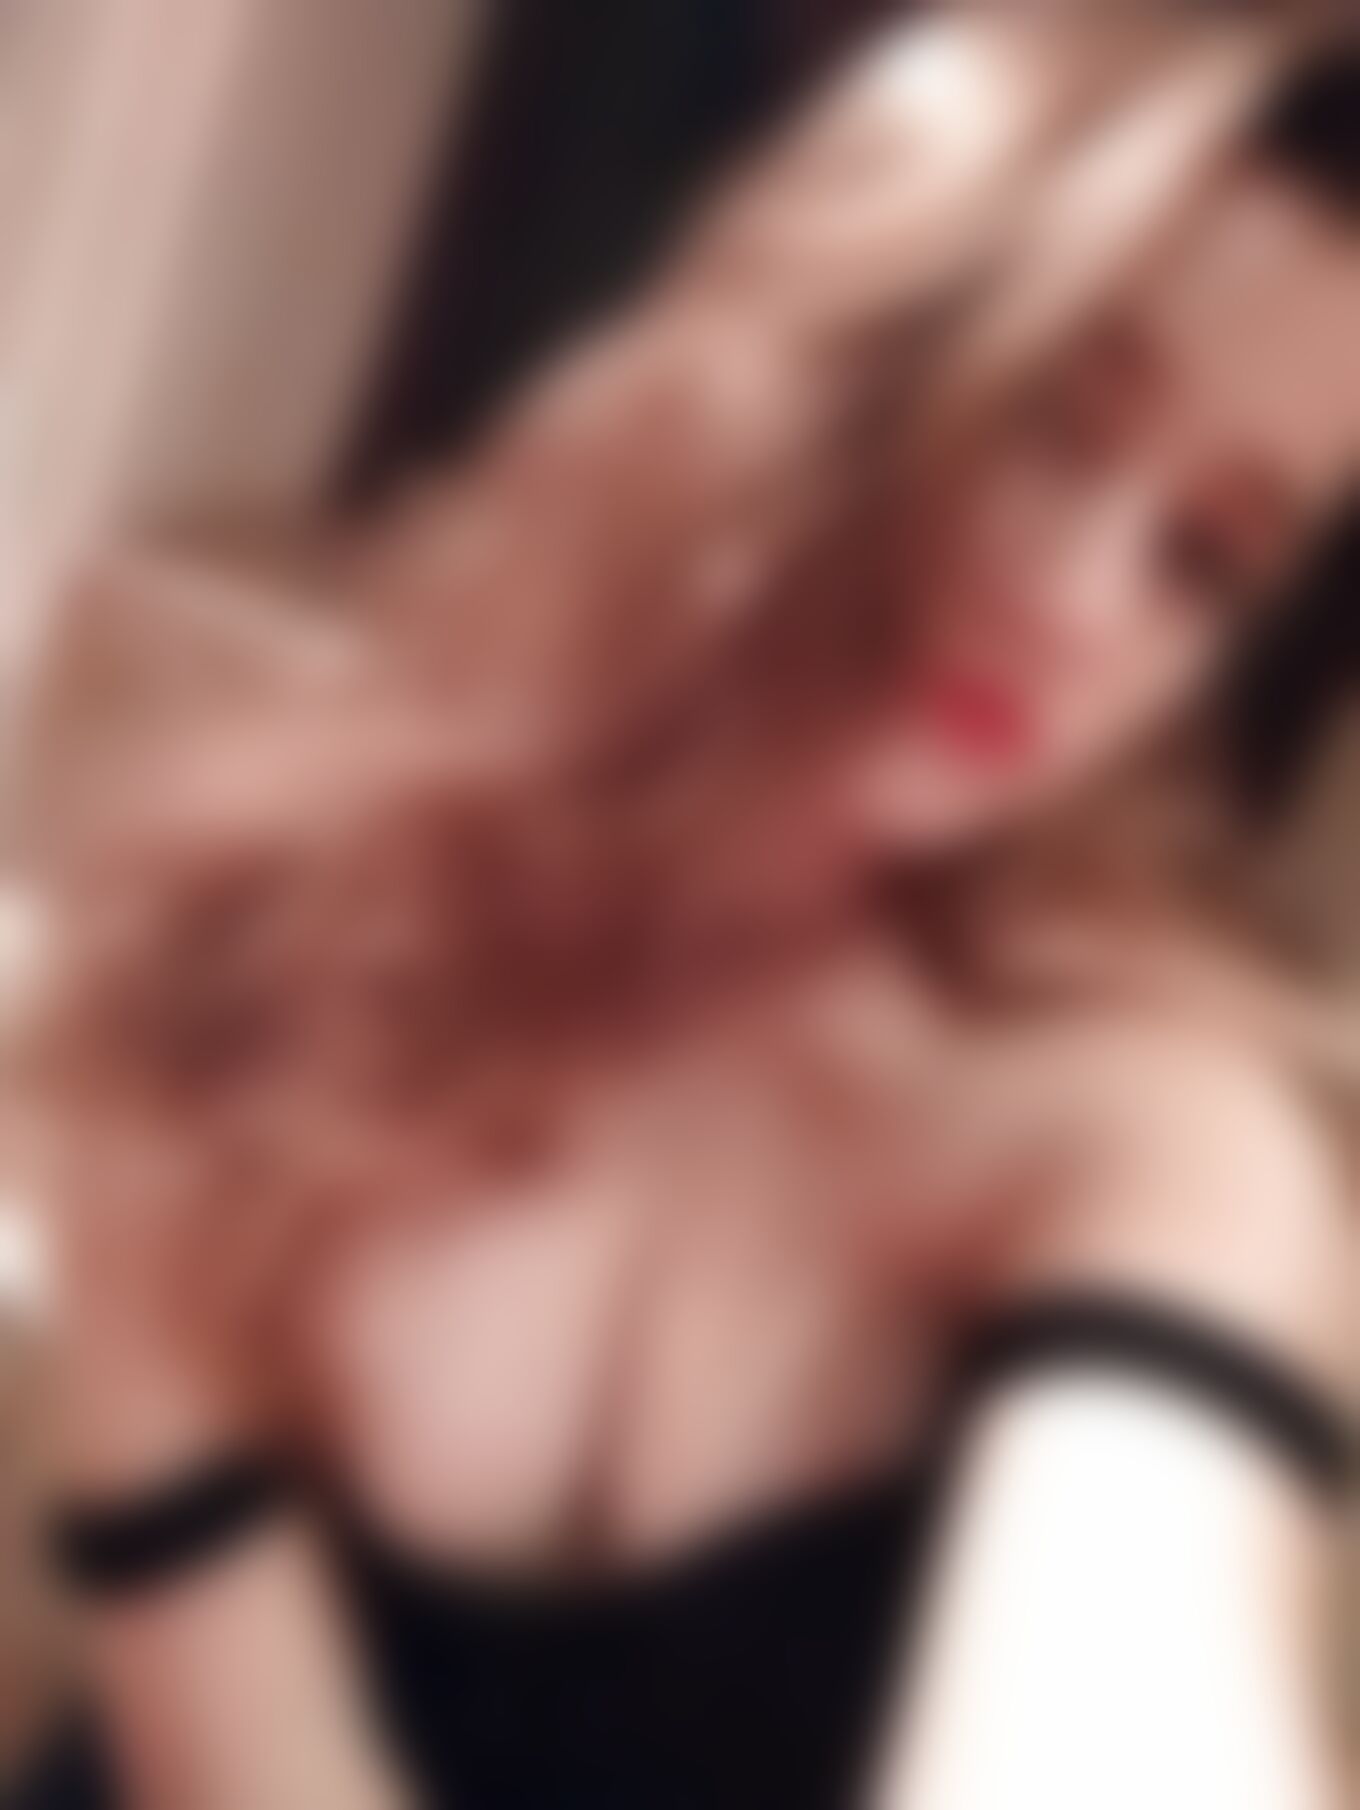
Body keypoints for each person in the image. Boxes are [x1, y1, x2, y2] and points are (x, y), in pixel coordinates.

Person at [15, 19, 1358, 1810]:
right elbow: (240, 1759)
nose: (1081, 597)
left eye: (1205, 553)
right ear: (846, 340)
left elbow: (1135, 1681)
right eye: (1055, 416)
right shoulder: (239, 932)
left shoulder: (1148, 1136)